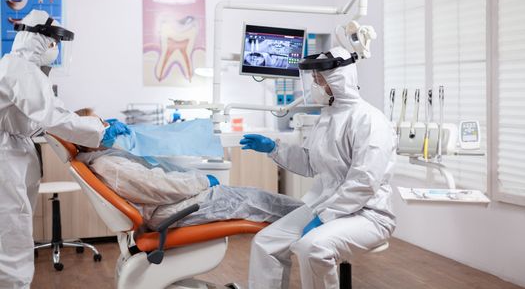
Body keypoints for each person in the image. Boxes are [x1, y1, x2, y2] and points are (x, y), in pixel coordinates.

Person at [240, 47, 397, 289]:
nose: (314, 84)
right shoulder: (327, 116)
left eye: (319, 79)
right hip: (326, 205)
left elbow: (363, 183)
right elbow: (310, 162)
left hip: (368, 214)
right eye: (313, 79)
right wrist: (273, 148)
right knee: (265, 242)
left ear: (338, 79)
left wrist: (325, 217)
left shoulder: (370, 120)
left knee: (312, 247)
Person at [0, 10, 130, 288]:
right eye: (54, 43)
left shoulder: (22, 69)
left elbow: (32, 121)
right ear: (40, 40)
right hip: (5, 161)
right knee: (11, 238)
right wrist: (100, 129)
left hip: (11, 153)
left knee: (13, 232)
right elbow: (54, 117)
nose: (56, 50)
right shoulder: (20, 68)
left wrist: (93, 124)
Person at [75, 108, 303, 230]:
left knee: (255, 198)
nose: (106, 125)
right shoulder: (110, 165)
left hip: (171, 205)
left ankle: (310, 216)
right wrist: (202, 181)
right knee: (256, 201)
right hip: (172, 210)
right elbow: (160, 186)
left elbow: (154, 179)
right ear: (88, 135)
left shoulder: (104, 157)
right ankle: (311, 218)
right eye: (100, 124)